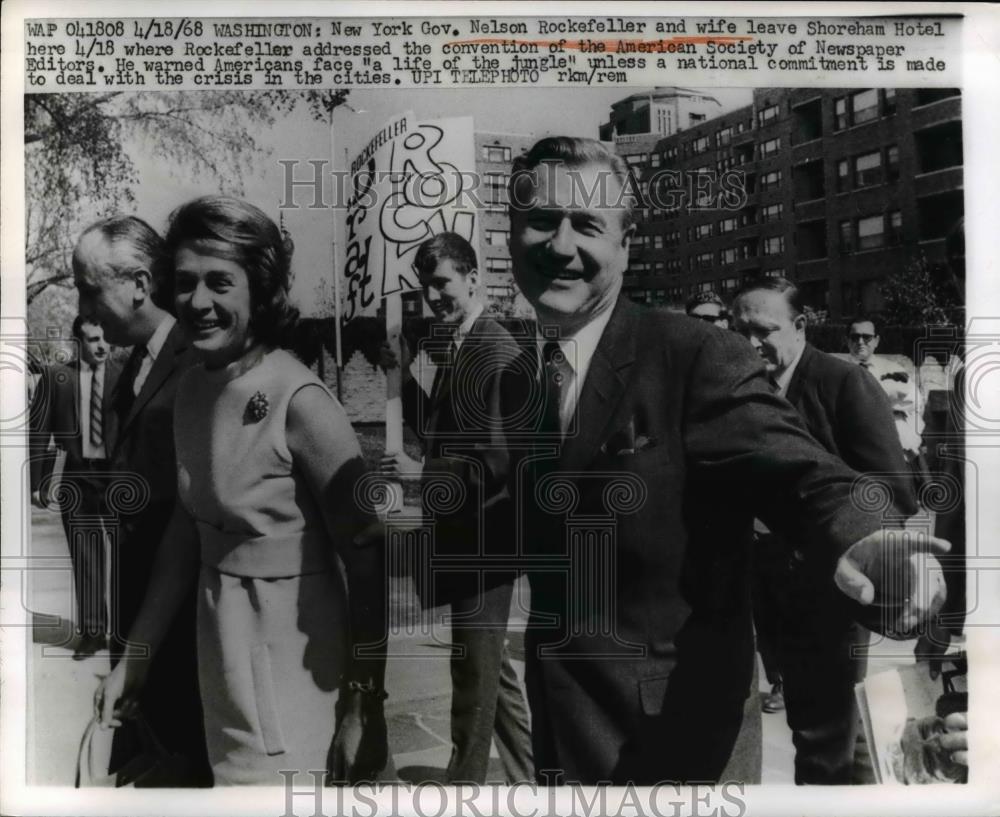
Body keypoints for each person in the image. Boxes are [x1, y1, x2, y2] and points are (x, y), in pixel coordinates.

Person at [501, 136, 948, 785]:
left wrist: (868, 537)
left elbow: (801, 470)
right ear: (513, 233)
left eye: (587, 224)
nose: (560, 245)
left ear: (625, 245)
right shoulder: (517, 379)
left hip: (674, 747)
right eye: (541, 220)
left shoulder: (691, 353)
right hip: (564, 744)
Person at [93, 196, 388, 785]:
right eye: (184, 283)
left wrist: (361, 703)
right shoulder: (192, 391)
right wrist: (139, 656)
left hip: (298, 668)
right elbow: (187, 530)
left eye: (219, 283)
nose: (197, 302)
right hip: (219, 657)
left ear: (260, 289)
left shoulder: (299, 400)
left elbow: (368, 556)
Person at [731, 278, 917, 784]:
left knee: (823, 739)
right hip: (759, 590)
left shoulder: (844, 384)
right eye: (738, 329)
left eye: (763, 331)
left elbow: (892, 493)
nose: (749, 343)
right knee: (814, 730)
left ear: (800, 327)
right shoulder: (736, 388)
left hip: (829, 591)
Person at [378, 232, 533, 784]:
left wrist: (424, 475)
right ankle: (533, 779)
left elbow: (495, 459)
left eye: (442, 282)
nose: (434, 295)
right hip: (466, 533)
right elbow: (440, 430)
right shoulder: (462, 344)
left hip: (486, 538)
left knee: (473, 669)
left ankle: (464, 785)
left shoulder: (496, 348)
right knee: (493, 672)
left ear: (473, 278)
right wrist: (397, 373)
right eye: (427, 285)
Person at [74, 215, 212, 783]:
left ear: (138, 283)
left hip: (180, 642)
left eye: (89, 288)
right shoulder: (127, 366)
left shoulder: (199, 360)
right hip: (136, 625)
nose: (84, 310)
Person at [29, 316, 121, 659]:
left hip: (117, 475)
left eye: (105, 338)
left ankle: (126, 632)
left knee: (127, 554)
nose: (102, 346)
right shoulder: (57, 378)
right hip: (77, 476)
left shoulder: (123, 376)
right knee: (86, 557)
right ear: (77, 342)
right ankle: (93, 632)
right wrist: (38, 482)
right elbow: (38, 430)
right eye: (93, 340)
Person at [846, 317, 926, 462]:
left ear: (876, 341)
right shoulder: (838, 370)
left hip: (889, 434)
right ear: (848, 341)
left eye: (867, 337)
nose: (860, 342)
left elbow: (915, 401)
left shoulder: (893, 369)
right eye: (855, 337)